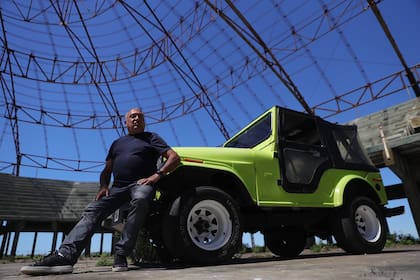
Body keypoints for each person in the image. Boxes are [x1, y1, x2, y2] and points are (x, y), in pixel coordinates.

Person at [20, 108, 180, 275]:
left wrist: (156, 176)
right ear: (125, 122)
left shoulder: (151, 137)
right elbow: (107, 170)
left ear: (144, 122)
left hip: (140, 184)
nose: (136, 119)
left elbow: (174, 157)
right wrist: (103, 186)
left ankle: (121, 254)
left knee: (140, 199)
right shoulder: (117, 143)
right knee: (93, 210)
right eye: (132, 116)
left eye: (140, 116)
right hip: (117, 188)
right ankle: (64, 256)